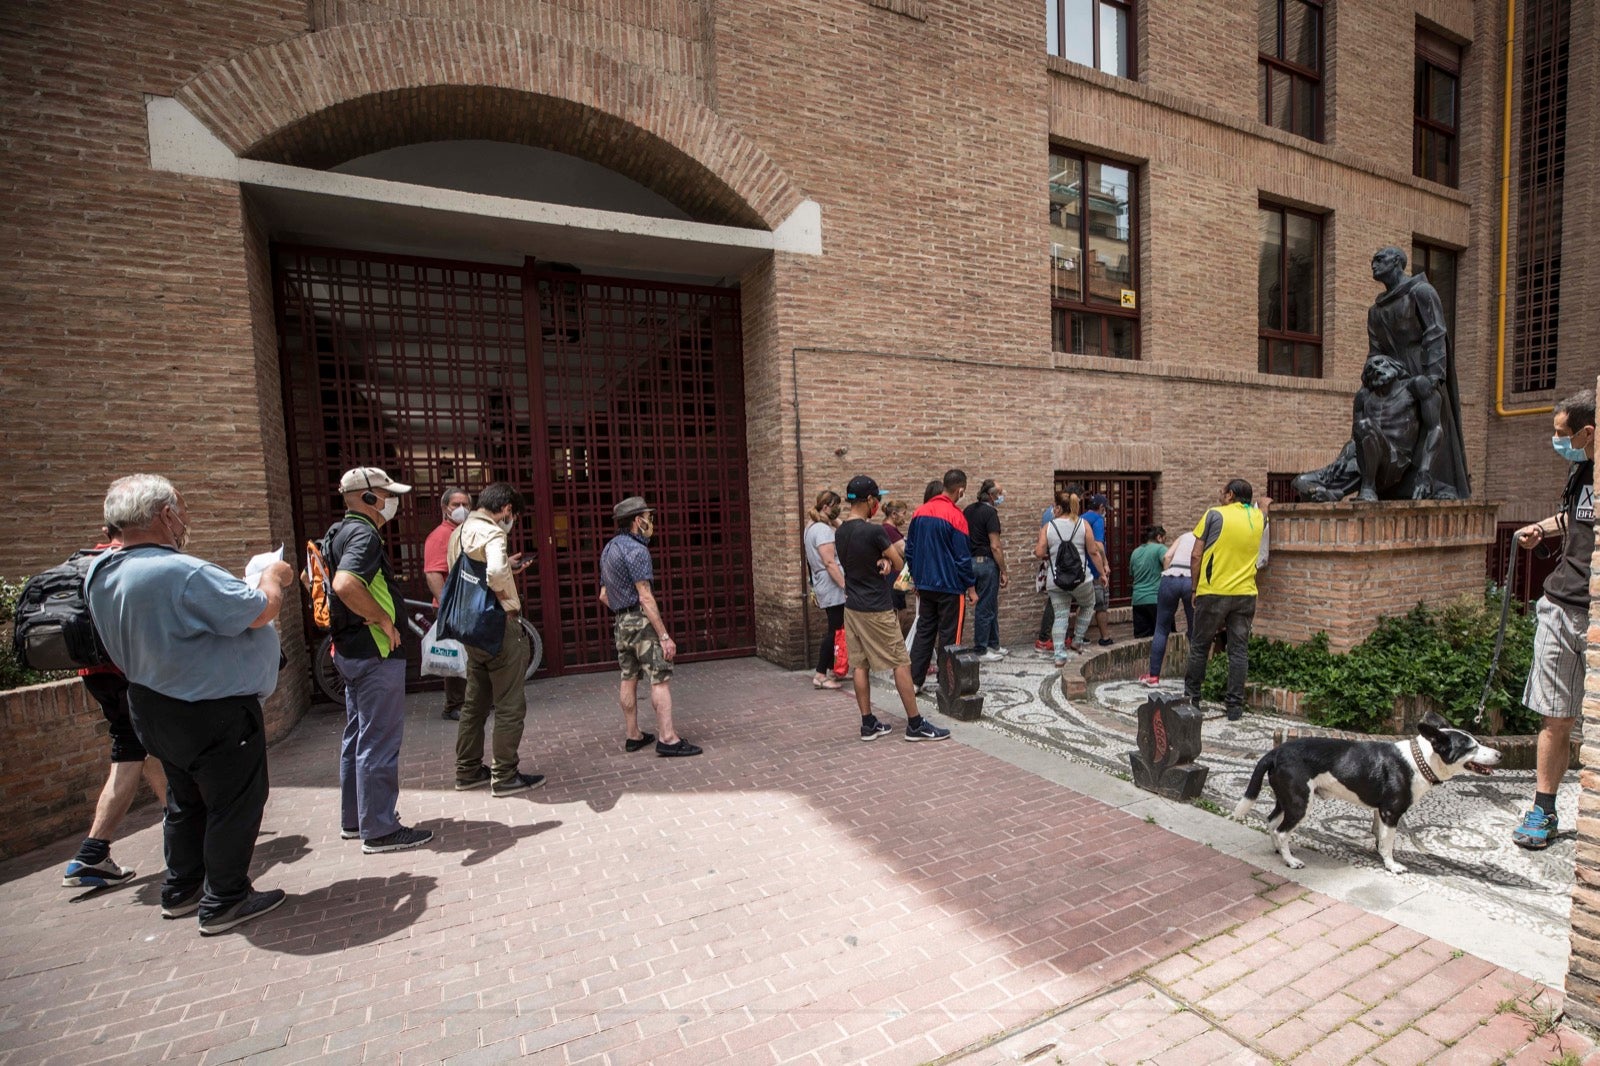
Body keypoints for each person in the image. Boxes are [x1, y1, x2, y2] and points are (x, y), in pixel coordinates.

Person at [84, 474, 292, 934]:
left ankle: (181, 890)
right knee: (234, 801)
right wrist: (272, 577)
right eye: (180, 509)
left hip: (153, 705)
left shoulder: (101, 571)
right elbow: (259, 609)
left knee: (185, 799)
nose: (184, 520)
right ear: (164, 515)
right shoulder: (177, 571)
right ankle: (225, 898)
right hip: (210, 710)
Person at [324, 467, 435, 851]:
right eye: (387, 494)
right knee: (379, 742)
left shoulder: (337, 533)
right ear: (369, 497)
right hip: (374, 650)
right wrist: (384, 620)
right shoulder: (362, 535)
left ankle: (356, 820)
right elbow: (344, 584)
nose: (393, 502)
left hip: (351, 650)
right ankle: (381, 829)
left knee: (358, 737)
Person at [61, 525, 169, 890]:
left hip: (96, 673)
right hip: (127, 670)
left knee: (140, 749)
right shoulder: (129, 563)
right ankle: (93, 852)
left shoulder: (88, 562)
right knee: (137, 751)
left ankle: (180, 821)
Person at [1510, 390, 1596, 849]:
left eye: (1563, 433)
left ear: (1589, 432)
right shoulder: (1580, 466)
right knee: (1554, 717)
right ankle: (1543, 810)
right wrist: (1543, 527)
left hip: (1594, 611)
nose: (1555, 440)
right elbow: (1577, 518)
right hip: (1560, 605)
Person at [834, 476, 952, 742]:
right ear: (871, 501)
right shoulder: (874, 531)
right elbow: (899, 562)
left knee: (860, 665)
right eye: (878, 499)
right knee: (900, 662)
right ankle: (915, 723)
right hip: (876, 606)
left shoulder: (840, 532)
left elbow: (856, 563)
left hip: (852, 606)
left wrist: (880, 561)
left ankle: (868, 724)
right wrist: (886, 560)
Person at [449, 482, 543, 796]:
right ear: (505, 509)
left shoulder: (458, 532)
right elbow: (495, 572)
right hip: (498, 627)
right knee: (509, 705)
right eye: (511, 514)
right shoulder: (492, 533)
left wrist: (505, 571)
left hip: (470, 627)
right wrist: (507, 601)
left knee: (475, 703)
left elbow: (468, 575)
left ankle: (468, 770)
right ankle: (504, 775)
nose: (510, 520)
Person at [599, 496, 701, 756]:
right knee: (660, 678)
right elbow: (645, 596)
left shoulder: (609, 549)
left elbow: (603, 595)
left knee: (628, 676)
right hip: (641, 620)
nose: (651, 522)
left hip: (621, 622)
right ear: (637, 520)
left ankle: (633, 735)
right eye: (649, 517)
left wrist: (624, 613)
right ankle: (668, 739)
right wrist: (664, 635)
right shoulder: (637, 550)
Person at [1366, 245, 1470, 500]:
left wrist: (1433, 376)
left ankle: (1434, 481)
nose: (1374, 264)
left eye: (1380, 259)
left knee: (1429, 425)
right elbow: (1374, 351)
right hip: (1392, 376)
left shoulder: (1421, 292)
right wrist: (1368, 381)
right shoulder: (1375, 311)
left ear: (1398, 262)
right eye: (1373, 260)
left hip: (1421, 369)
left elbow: (1435, 332)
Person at [1181, 479, 1270, 721]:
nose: (1220, 495)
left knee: (1200, 646)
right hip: (1245, 594)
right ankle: (1234, 707)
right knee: (1238, 651)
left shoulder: (1214, 515)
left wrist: (1194, 588)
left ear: (1230, 495)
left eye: (1223, 492)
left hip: (1213, 591)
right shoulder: (1258, 518)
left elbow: (1196, 554)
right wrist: (1264, 505)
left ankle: (1192, 699)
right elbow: (1263, 509)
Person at [905, 470, 978, 692]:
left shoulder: (919, 513)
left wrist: (918, 579)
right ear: (961, 490)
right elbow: (963, 558)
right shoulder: (957, 516)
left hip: (926, 586)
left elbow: (910, 551)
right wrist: (971, 587)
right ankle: (947, 684)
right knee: (950, 637)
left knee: (924, 632)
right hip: (950, 587)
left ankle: (915, 682)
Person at [1033, 489, 1108, 665]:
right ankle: (1077, 640)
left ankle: (1059, 655)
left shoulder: (1048, 527)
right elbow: (1093, 551)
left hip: (1056, 580)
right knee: (1088, 604)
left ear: (1058, 508)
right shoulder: (1083, 525)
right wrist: (1103, 573)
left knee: (1060, 615)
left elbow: (1039, 552)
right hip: (1081, 579)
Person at [423, 486, 473, 721]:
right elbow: (433, 573)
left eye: (466, 505)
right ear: (445, 508)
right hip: (452, 607)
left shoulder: (462, 532)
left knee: (466, 655)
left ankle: (470, 701)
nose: (462, 509)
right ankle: (454, 705)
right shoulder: (440, 536)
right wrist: (447, 607)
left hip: (466, 606)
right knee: (454, 657)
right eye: (456, 505)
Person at [803, 490, 847, 690]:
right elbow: (830, 562)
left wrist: (834, 521)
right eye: (836, 505)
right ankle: (820, 674)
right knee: (834, 630)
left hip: (824, 582)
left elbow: (845, 529)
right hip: (832, 584)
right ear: (827, 506)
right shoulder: (822, 530)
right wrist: (844, 586)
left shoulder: (812, 526)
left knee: (836, 628)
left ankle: (829, 669)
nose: (839, 509)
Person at [1142, 527, 1196, 687]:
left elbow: (1167, 556)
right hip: (1191, 579)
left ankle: (1153, 677)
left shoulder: (1185, 535)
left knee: (1161, 628)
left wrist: (1169, 574)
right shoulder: (1208, 537)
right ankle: (1194, 679)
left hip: (1170, 577)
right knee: (1194, 629)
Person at [965, 479, 1010, 662]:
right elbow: (995, 546)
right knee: (985, 606)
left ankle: (993, 643)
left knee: (990, 604)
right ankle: (981, 649)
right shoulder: (990, 513)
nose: (1001, 496)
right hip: (986, 563)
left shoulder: (968, 510)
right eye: (999, 493)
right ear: (991, 496)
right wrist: (1004, 570)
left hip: (970, 561)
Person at [1082, 493, 1114, 646]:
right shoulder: (1097, 520)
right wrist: (1105, 565)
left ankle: (1079, 636)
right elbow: (1098, 545)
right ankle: (1105, 637)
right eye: (1104, 508)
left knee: (1084, 604)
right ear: (1101, 507)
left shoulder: (1080, 518)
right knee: (1101, 606)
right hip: (1095, 570)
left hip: (1081, 570)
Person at [881, 499, 914, 635]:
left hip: (896, 577)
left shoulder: (891, 530)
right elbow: (905, 551)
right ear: (894, 514)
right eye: (903, 513)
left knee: (902, 614)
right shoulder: (889, 530)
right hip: (894, 577)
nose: (904, 517)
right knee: (899, 616)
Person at [1128, 526, 1166, 639]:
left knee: (1141, 641)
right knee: (1164, 638)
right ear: (1159, 537)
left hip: (1138, 601)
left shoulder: (1135, 552)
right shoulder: (1160, 549)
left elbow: (1132, 574)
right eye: (1165, 538)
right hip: (1156, 599)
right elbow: (1168, 561)